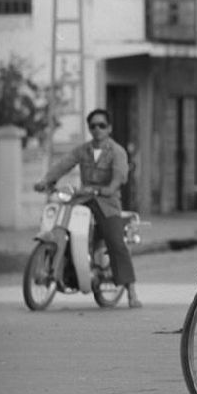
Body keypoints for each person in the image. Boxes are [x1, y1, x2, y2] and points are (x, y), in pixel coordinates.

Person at [34, 108, 140, 308]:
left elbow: (119, 177)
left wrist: (108, 188)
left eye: (101, 125)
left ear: (109, 128)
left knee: (115, 241)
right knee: (60, 220)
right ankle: (61, 266)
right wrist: (46, 180)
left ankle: (132, 292)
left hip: (107, 201)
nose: (97, 129)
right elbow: (64, 164)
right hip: (83, 198)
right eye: (93, 126)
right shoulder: (83, 150)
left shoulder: (117, 151)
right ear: (89, 129)